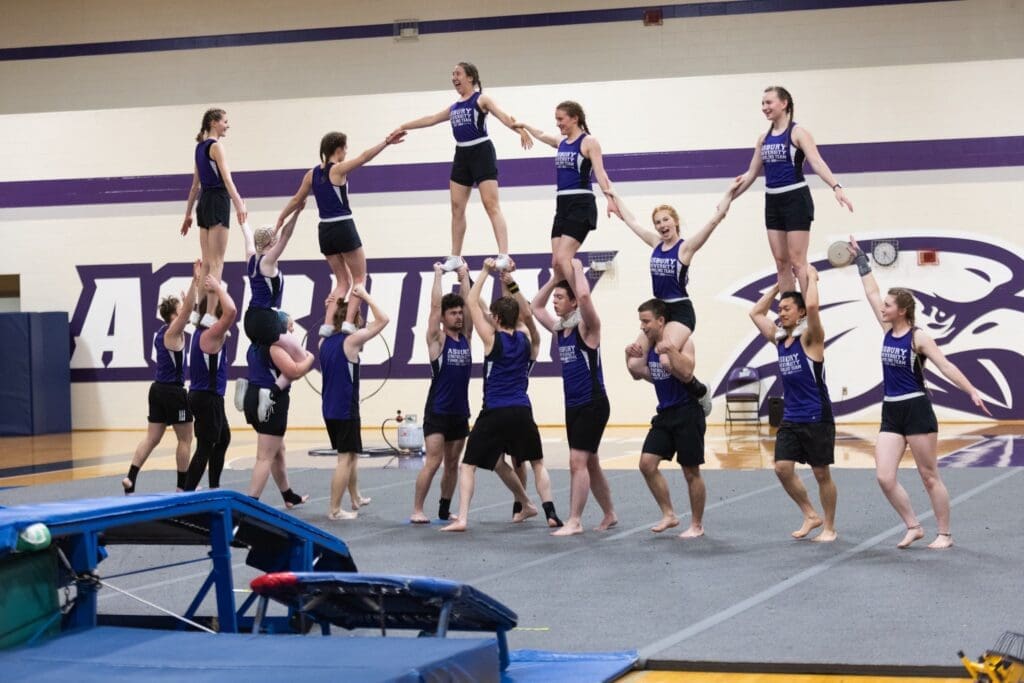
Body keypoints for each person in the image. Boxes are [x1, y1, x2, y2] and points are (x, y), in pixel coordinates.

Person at [848, 237, 991, 549]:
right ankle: (913, 525)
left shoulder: (918, 337)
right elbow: (872, 292)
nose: (882, 308)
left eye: (888, 305)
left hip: (916, 409)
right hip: (891, 410)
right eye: (884, 305)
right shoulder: (887, 331)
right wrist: (861, 261)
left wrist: (971, 391)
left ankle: (945, 534)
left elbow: (946, 366)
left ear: (902, 311)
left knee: (929, 475)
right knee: (885, 476)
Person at [442, 259, 562, 532]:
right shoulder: (528, 339)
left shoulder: (491, 339)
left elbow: (472, 302)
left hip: (495, 410)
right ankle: (547, 510)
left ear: (495, 319)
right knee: (534, 462)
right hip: (522, 409)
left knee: (468, 465)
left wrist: (484, 271)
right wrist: (510, 283)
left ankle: (461, 518)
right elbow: (529, 315)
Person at [611, 183, 740, 415]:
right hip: (659, 310)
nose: (662, 226)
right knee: (635, 363)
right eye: (658, 222)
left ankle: (699, 391)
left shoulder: (685, 248)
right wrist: (612, 194)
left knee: (666, 360)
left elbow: (712, 223)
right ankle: (679, 388)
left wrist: (728, 195)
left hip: (680, 311)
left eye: (665, 220)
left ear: (675, 221)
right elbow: (631, 221)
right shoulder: (655, 243)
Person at [394, 62, 531, 271]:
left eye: (458, 73)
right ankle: (456, 256)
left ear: (470, 77)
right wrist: (404, 126)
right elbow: (431, 119)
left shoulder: (481, 99)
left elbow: (503, 115)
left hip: (481, 151)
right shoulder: (454, 107)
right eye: (452, 74)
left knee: (490, 204)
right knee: (457, 207)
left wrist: (519, 129)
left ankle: (504, 253)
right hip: (462, 155)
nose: (453, 77)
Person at [275, 129, 405, 339]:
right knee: (359, 278)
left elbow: (296, 200)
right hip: (343, 225)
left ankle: (327, 324)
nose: (347, 151)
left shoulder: (312, 174)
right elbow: (364, 158)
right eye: (345, 148)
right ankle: (347, 323)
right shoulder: (338, 170)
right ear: (339, 149)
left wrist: (280, 219)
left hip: (324, 230)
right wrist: (386, 142)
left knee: (341, 282)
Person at [730, 86, 853, 294]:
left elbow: (816, 161)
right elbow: (751, 173)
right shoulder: (763, 138)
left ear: (784, 103)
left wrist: (836, 186)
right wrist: (728, 198)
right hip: (773, 200)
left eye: (769, 103)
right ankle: (791, 316)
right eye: (762, 103)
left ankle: (807, 313)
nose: (764, 108)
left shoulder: (798, 133)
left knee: (797, 261)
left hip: (795, 198)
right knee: (781, 262)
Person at [748, 266, 838, 542]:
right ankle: (811, 514)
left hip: (816, 416)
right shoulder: (779, 340)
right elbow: (755, 313)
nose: (781, 312)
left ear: (800, 313)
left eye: (787, 308)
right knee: (782, 468)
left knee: (821, 473)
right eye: (780, 308)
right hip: (792, 416)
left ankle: (830, 528)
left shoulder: (810, 338)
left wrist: (811, 278)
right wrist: (777, 287)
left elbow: (812, 305)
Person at [531, 258, 617, 536]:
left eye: (560, 298)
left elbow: (583, 294)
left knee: (576, 462)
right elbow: (535, 307)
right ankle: (610, 513)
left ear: (573, 303)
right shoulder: (560, 330)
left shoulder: (587, 329)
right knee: (590, 461)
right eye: (555, 297)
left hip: (592, 403)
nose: (555, 301)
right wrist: (555, 280)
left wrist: (577, 269)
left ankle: (575, 521)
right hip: (574, 404)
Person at [625, 299, 707, 539]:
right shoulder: (650, 345)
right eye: (641, 321)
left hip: (688, 412)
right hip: (665, 413)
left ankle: (697, 525)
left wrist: (670, 352)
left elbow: (687, 372)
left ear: (661, 321)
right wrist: (627, 356)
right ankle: (669, 514)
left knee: (691, 471)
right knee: (646, 464)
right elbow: (638, 373)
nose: (643, 327)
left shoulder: (683, 342)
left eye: (646, 321)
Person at [515, 101, 621, 284]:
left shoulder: (589, 142)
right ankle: (570, 301)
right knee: (556, 262)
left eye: (560, 119)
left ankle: (580, 300)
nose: (557, 123)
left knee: (564, 257)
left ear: (574, 119)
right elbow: (541, 134)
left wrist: (610, 199)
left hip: (581, 203)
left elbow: (600, 172)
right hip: (562, 205)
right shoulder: (561, 141)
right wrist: (524, 125)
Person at [123, 260, 201, 494]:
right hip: (173, 392)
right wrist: (195, 280)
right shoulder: (172, 332)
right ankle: (182, 486)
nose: (184, 313)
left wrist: (189, 299)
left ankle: (131, 477)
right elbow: (188, 311)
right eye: (179, 311)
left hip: (157, 389)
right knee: (186, 438)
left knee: (152, 438)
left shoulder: (163, 332)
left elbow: (191, 311)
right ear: (172, 316)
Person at [319, 285, 389, 520]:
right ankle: (335, 510)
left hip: (330, 407)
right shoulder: (350, 341)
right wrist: (366, 296)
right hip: (344, 407)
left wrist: (330, 307)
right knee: (345, 458)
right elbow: (383, 320)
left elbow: (329, 323)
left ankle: (355, 496)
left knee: (351, 455)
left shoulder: (323, 343)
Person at [410, 263, 473, 524]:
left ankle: (444, 509)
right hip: (437, 410)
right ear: (444, 317)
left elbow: (471, 308)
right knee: (433, 461)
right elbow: (434, 308)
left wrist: (465, 275)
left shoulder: (467, 337)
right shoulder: (438, 340)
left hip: (459, 411)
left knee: (452, 464)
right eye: (453, 313)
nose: (458, 316)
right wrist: (438, 275)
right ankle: (417, 509)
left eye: (459, 313)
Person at [237, 203, 309, 422]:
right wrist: (296, 213)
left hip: (250, 318)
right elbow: (286, 237)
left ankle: (249, 386)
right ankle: (271, 393)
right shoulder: (268, 261)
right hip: (266, 317)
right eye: (274, 241)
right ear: (270, 243)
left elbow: (248, 236)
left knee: (265, 354)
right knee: (302, 358)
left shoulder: (251, 258)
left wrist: (244, 221)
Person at [181, 108, 247, 326]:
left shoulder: (199, 148)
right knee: (217, 262)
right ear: (213, 122)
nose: (227, 125)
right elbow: (227, 180)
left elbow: (193, 187)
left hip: (204, 201)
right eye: (225, 121)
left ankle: (198, 313)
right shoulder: (215, 146)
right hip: (218, 199)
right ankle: (209, 313)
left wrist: (188, 214)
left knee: (207, 261)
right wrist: (238, 204)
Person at [245, 311, 315, 508]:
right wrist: (310, 358)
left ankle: (288, 495)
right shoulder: (276, 347)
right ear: (279, 327)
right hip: (270, 400)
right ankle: (250, 504)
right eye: (290, 325)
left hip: (254, 395)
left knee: (278, 449)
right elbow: (294, 371)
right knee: (265, 456)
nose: (292, 329)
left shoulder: (255, 345)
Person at [183, 276, 237, 491]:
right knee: (205, 447)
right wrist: (218, 288)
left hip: (206, 395)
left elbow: (197, 309)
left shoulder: (199, 329)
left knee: (223, 439)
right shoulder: (210, 334)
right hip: (207, 397)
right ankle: (185, 495)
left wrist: (198, 285)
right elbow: (231, 311)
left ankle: (214, 487)